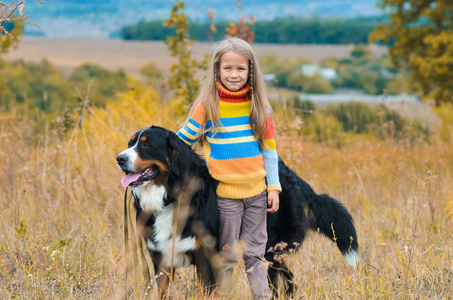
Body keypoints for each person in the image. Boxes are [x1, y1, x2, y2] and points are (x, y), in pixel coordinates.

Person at [177, 37, 281, 299]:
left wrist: (274, 187)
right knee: (226, 254)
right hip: (224, 197)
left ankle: (262, 296)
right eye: (227, 68)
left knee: (256, 253)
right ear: (216, 70)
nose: (234, 75)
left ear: (251, 71)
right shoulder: (206, 108)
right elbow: (181, 144)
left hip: (257, 194)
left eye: (241, 69)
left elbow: (269, 149)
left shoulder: (259, 106)